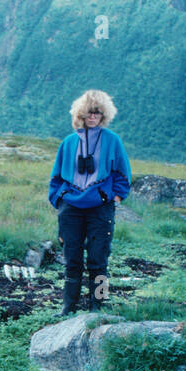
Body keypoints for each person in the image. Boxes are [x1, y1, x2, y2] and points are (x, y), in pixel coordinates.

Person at [47, 89, 132, 315]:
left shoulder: (112, 141)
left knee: (99, 258)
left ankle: (98, 304)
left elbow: (123, 174)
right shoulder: (68, 142)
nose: (93, 116)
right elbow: (55, 176)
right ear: (81, 114)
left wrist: (113, 197)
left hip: (100, 208)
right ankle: (69, 306)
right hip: (71, 208)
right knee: (71, 258)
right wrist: (59, 199)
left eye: (97, 112)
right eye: (88, 112)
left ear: (103, 114)